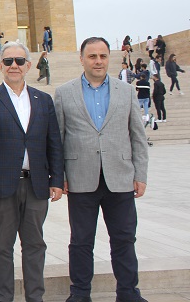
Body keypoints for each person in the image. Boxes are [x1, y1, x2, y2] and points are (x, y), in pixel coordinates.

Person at [54, 37, 149, 302]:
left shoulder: (125, 91)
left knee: (124, 239)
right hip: (80, 178)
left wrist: (140, 174)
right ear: (81, 59)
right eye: (92, 56)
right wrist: (60, 176)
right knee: (81, 241)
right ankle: (80, 293)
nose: (98, 61)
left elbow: (138, 137)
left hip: (120, 177)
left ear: (109, 58)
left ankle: (128, 293)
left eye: (103, 56)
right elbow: (58, 139)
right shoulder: (64, 93)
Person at [0, 42, 64, 302]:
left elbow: (53, 142)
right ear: (1, 65)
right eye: (9, 61)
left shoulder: (43, 100)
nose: (14, 65)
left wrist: (57, 180)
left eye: (20, 61)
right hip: (0, 186)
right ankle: (4, 298)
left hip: (36, 184)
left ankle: (35, 297)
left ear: (29, 66)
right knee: (3, 246)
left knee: (35, 244)